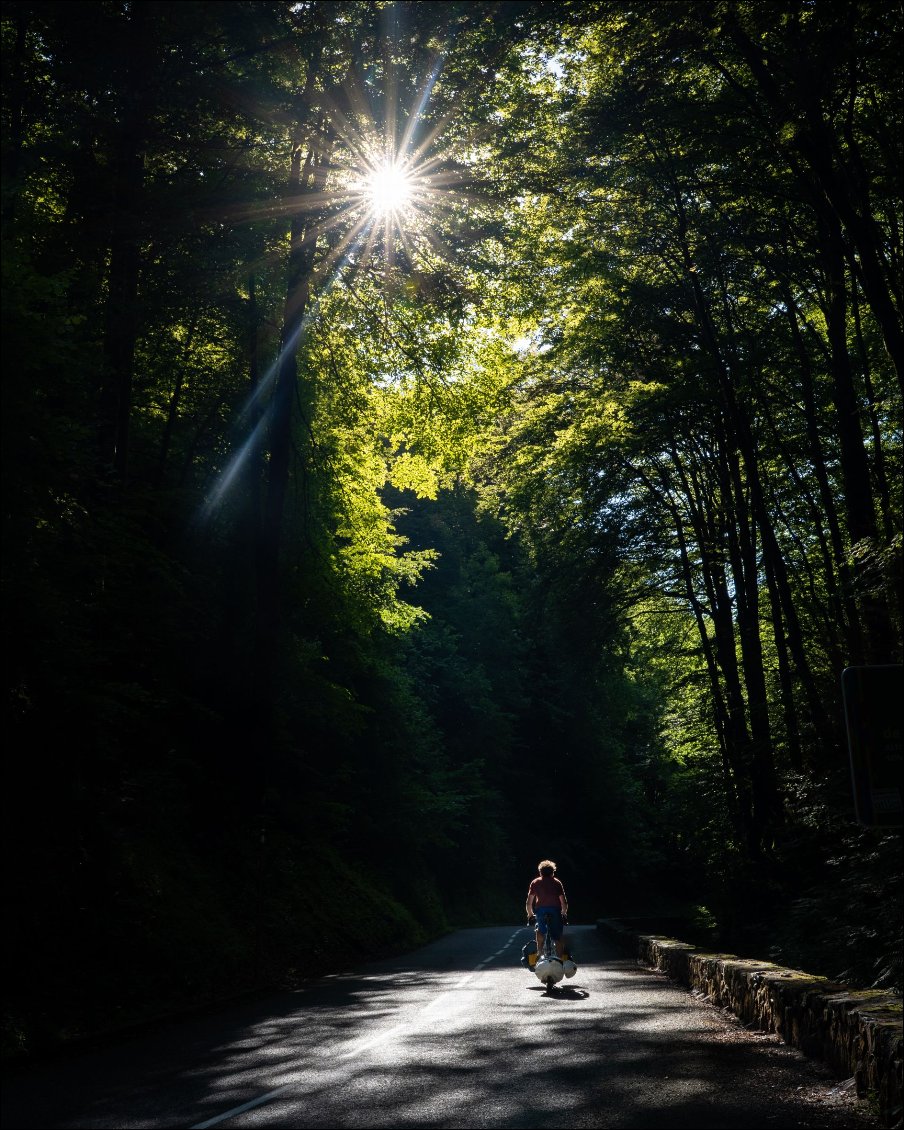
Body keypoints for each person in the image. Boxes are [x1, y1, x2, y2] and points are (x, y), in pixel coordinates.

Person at [525, 859, 568, 958]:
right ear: (553, 872)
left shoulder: (535, 882)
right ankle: (560, 959)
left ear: (540, 872)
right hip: (555, 910)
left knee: (540, 930)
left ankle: (540, 952)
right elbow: (564, 902)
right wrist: (564, 914)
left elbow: (529, 903)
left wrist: (530, 915)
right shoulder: (557, 883)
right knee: (558, 935)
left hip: (541, 910)